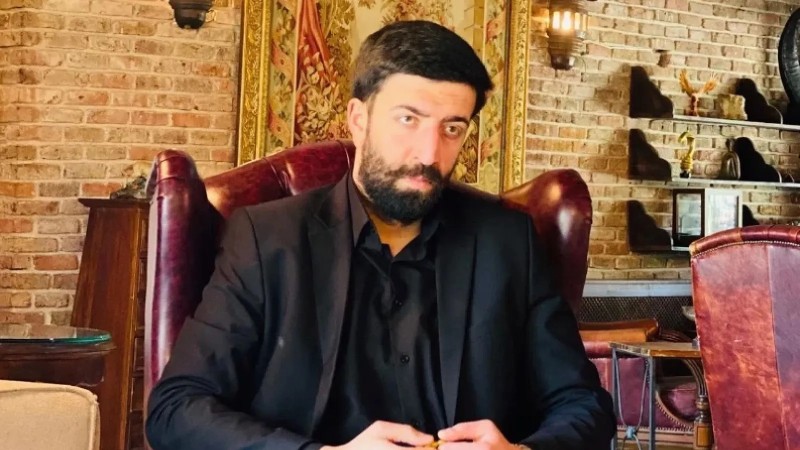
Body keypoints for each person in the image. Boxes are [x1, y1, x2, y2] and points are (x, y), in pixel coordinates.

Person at [146, 19, 615, 450]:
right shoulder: (267, 239)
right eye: (408, 119)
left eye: (452, 128)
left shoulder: (507, 243)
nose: (429, 153)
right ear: (359, 118)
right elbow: (175, 409)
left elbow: (584, 405)